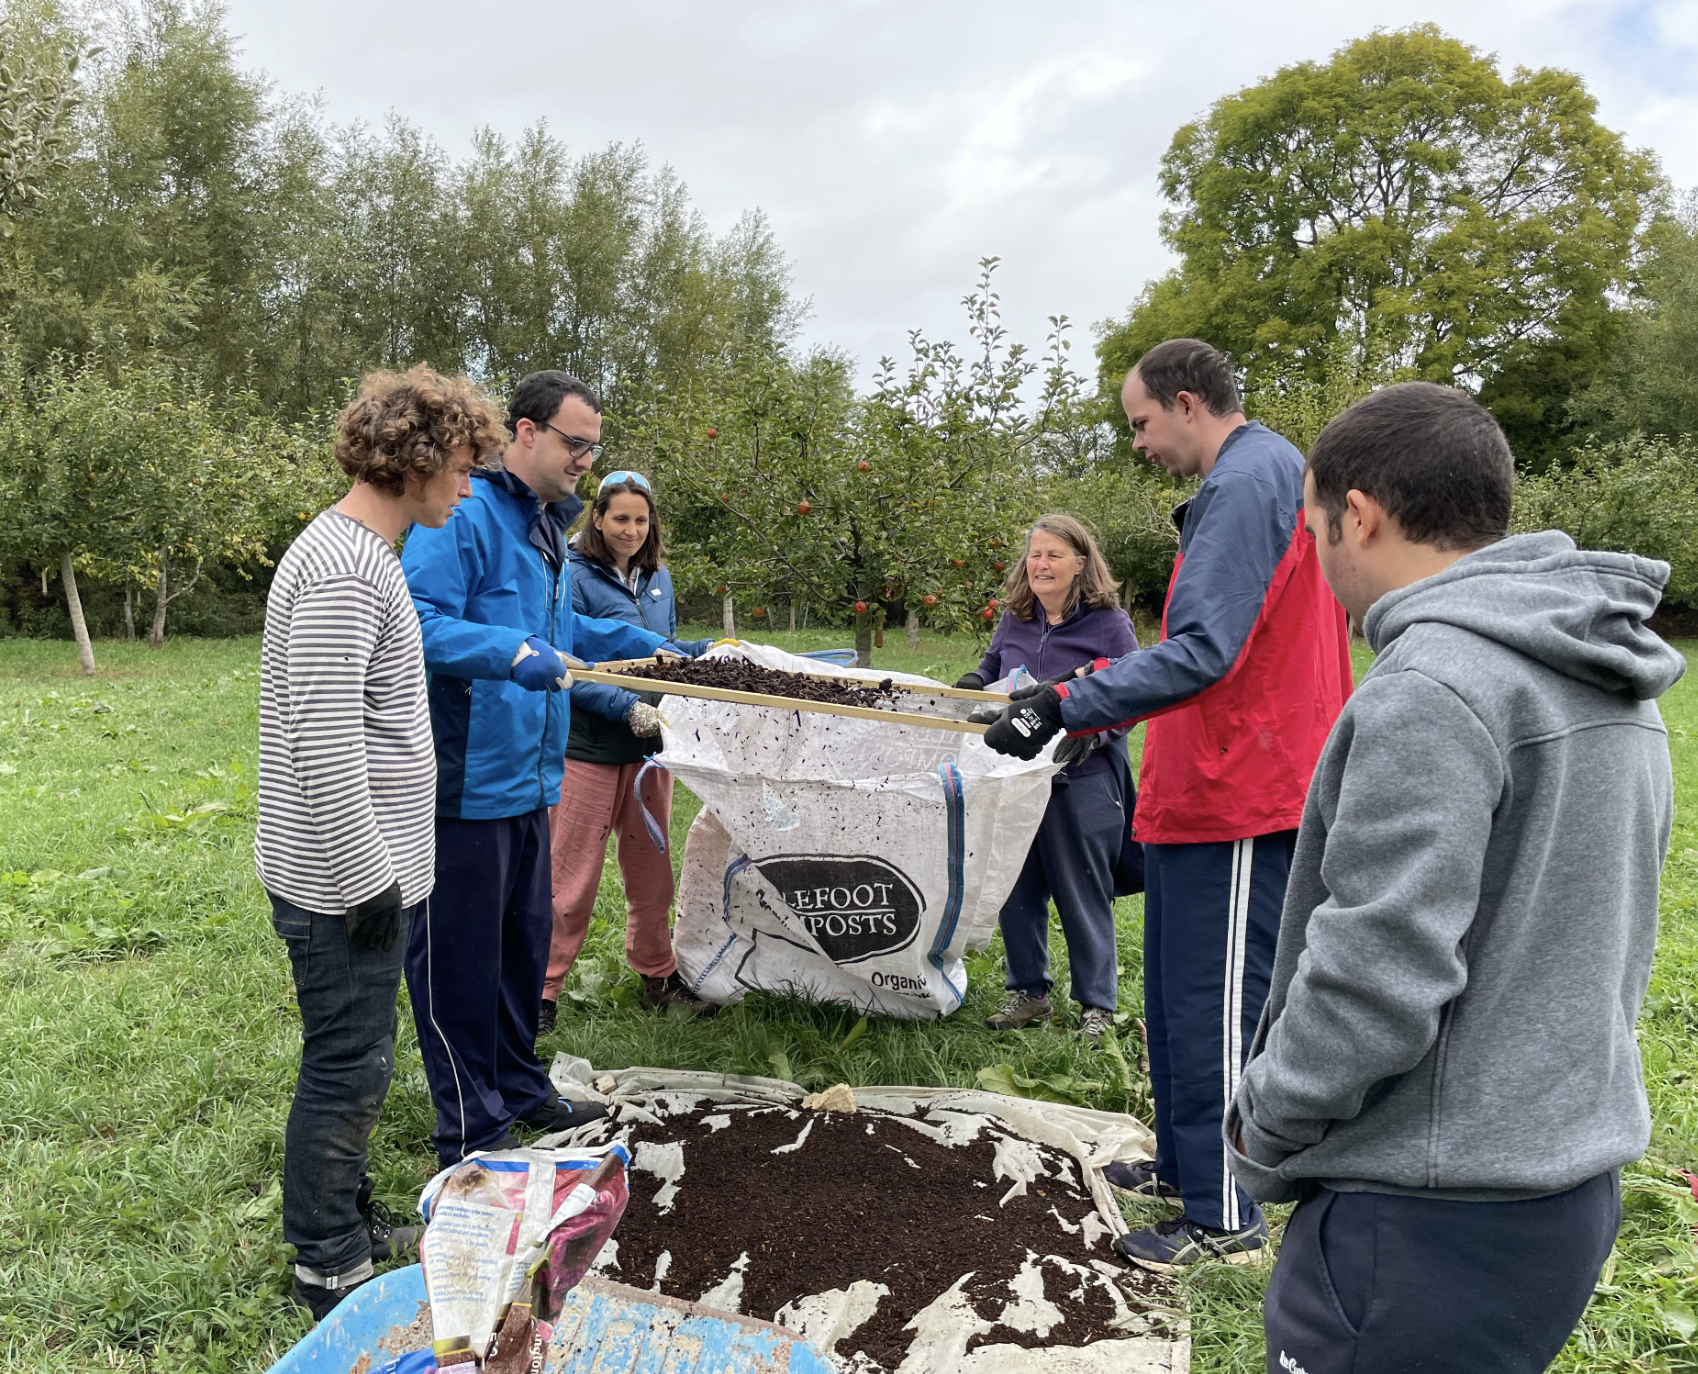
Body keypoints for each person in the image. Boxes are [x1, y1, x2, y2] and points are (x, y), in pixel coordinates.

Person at [1224, 382, 1682, 1374]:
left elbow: (1375, 978)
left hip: (1421, 1223)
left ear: (1361, 515)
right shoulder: (1612, 671)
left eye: (1316, 531)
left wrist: (1265, 1118)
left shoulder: (1431, 687)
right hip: (1558, 1194)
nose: (1322, 565)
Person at [981, 338, 1353, 1269]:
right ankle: (1191, 1167)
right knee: (1181, 993)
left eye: (1142, 423)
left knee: (1219, 1002)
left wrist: (1062, 704)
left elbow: (1201, 650)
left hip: (1246, 784)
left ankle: (1224, 1215)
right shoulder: (1257, 478)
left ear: (1190, 404)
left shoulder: (1246, 479)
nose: (1140, 444)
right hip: (1210, 782)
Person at [255, 366, 508, 1318]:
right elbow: (321, 738)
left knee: (362, 1056)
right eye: (465, 468)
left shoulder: (366, 557)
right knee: (346, 1065)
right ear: (422, 457)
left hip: (365, 874)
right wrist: (368, 882)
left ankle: (345, 1220)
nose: (470, 487)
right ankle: (326, 1258)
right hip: (339, 883)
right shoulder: (339, 568)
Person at [400, 371, 692, 1170]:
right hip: (465, 785)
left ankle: (521, 1087)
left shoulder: (546, 529)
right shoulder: (459, 514)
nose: (586, 462)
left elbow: (563, 628)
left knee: (523, 948)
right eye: (575, 443)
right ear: (525, 432)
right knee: (460, 960)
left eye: (594, 448)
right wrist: (507, 652)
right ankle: (471, 1129)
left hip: (534, 779)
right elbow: (419, 622)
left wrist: (653, 652)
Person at [537, 471, 716, 1034]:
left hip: (648, 754)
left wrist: (710, 655)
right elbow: (566, 664)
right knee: (570, 881)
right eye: (621, 518)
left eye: (641, 519)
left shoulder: (658, 578)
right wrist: (622, 707)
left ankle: (657, 975)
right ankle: (540, 991)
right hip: (588, 749)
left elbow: (664, 655)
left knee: (651, 875)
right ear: (597, 518)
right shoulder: (570, 575)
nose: (632, 530)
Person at [956, 515, 1138, 1045]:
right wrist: (971, 685)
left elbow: (1133, 692)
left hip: (1081, 774)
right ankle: (1029, 993)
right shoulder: (1017, 618)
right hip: (1015, 776)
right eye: (1035, 554)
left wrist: (1095, 735)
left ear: (1081, 563)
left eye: (1054, 555)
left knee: (1081, 889)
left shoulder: (1108, 624)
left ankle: (1096, 1005)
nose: (1041, 564)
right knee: (1017, 884)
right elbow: (992, 667)